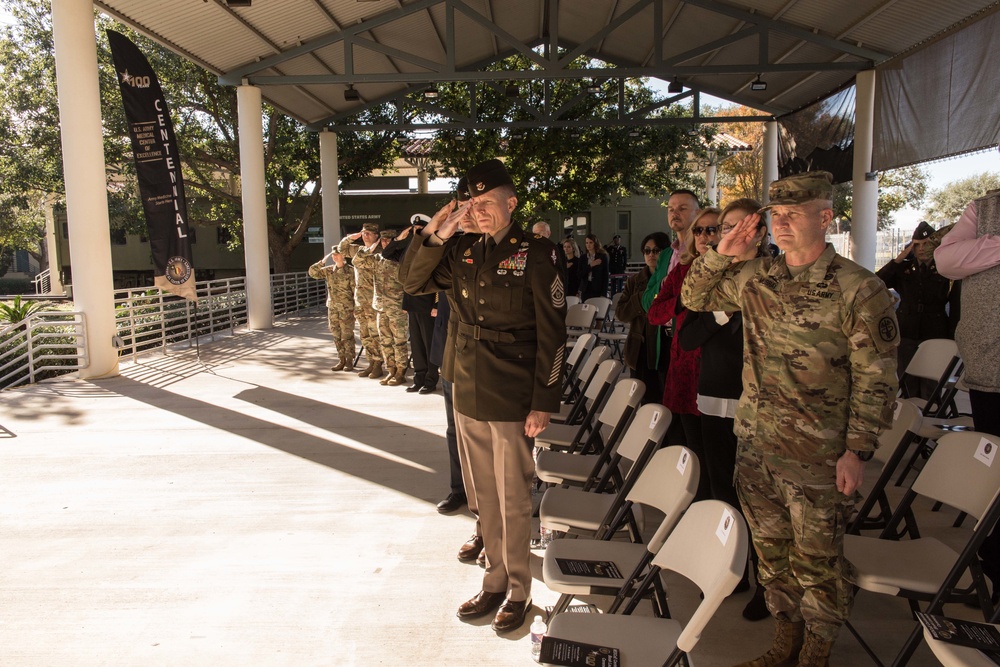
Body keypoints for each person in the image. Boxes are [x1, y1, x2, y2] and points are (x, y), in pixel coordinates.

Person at [682, 171, 899, 667]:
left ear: (825, 218)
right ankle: (785, 642)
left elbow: (878, 377)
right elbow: (693, 298)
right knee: (773, 555)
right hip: (757, 446)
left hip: (819, 455)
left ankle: (815, 655)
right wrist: (723, 249)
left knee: (818, 562)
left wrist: (857, 449)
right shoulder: (758, 277)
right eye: (774, 216)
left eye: (792, 215)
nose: (780, 224)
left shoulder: (858, 288)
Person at [403, 159, 566, 634]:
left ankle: (518, 589)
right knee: (481, 495)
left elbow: (553, 334)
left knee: (513, 496)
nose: (481, 211)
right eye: (473, 203)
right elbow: (412, 284)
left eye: (488, 202)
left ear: (511, 203)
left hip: (513, 392)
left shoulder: (538, 252)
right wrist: (437, 234)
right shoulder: (462, 249)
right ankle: (494, 578)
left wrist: (543, 401)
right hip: (467, 385)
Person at [676, 198, 768, 621]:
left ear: (760, 232)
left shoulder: (774, 276)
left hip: (761, 407)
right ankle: (733, 572)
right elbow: (688, 338)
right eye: (718, 228)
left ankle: (767, 584)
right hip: (715, 399)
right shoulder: (709, 279)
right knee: (722, 490)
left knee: (760, 503)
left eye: (730, 228)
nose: (722, 235)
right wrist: (719, 313)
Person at [934, 188, 1000, 605]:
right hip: (991, 368)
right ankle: (994, 574)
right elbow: (948, 260)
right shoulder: (987, 207)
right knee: (993, 477)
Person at [648, 207, 720, 501]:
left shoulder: (738, 270)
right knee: (693, 449)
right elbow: (654, 312)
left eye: (712, 229)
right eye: (699, 230)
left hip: (720, 373)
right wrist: (681, 301)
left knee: (718, 457)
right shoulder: (682, 270)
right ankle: (695, 508)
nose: (704, 236)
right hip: (685, 369)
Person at [876, 221, 961, 397]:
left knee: (932, 382)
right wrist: (899, 259)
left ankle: (929, 414)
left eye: (926, 244)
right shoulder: (904, 267)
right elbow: (877, 282)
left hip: (935, 329)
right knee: (907, 380)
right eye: (917, 245)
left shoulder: (944, 268)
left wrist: (954, 333)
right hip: (907, 329)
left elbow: (955, 303)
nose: (922, 249)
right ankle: (910, 415)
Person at [616, 231, 670, 405]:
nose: (651, 255)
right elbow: (621, 313)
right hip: (641, 347)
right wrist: (641, 299)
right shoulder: (635, 281)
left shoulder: (672, 277)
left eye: (656, 250)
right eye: (647, 251)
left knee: (666, 398)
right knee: (644, 398)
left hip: (666, 345)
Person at [354, 229, 409, 386]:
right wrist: (373, 246)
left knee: (399, 341)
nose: (385, 243)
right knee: (385, 341)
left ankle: (400, 372)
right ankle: (390, 370)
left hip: (397, 306)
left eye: (388, 240)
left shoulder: (401, 258)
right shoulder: (377, 258)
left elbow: (409, 281)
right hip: (380, 307)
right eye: (383, 240)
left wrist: (407, 303)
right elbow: (357, 262)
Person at [337, 222, 384, 379]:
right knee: (365, 334)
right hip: (360, 300)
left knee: (375, 333)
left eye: (369, 233)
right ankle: (370, 362)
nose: (366, 235)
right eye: (364, 233)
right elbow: (341, 249)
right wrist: (352, 237)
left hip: (374, 300)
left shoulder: (381, 252)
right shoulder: (359, 250)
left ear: (376, 236)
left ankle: (378, 364)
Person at [401, 214, 440, 394]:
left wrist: (437, 305)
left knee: (429, 343)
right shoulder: (411, 248)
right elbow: (403, 273)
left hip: (428, 304)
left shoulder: (433, 247)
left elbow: (440, 278)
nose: (417, 232)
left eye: (421, 229)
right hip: (413, 304)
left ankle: (431, 380)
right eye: (416, 230)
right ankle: (419, 378)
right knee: (416, 344)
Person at [307, 246, 356, 371]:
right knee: (336, 334)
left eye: (337, 254)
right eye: (333, 255)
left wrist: (356, 307)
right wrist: (322, 261)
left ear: (343, 255)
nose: (335, 257)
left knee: (347, 335)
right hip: (333, 307)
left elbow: (355, 290)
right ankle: (341, 359)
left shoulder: (351, 271)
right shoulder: (329, 270)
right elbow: (312, 272)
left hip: (346, 308)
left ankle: (349, 360)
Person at [666, 189, 701, 275]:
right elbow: (651, 287)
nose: (674, 214)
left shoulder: (703, 250)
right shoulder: (664, 255)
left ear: (698, 213)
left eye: (682, 209)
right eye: (671, 209)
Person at [580, 233, 610, 300]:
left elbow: (605, 276)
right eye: (586, 243)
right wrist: (590, 265)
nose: (588, 245)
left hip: (597, 289)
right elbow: (580, 274)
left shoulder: (602, 257)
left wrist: (603, 293)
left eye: (591, 242)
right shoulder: (583, 258)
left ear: (595, 243)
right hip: (586, 289)